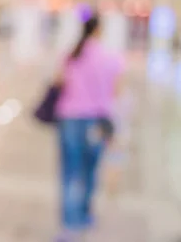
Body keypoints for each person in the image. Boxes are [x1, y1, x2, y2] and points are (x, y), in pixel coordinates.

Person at [54, 15, 124, 241]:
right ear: (100, 31)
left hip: (70, 119)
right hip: (96, 121)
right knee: (90, 169)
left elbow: (59, 82)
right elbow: (117, 92)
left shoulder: (72, 54)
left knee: (70, 172)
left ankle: (69, 226)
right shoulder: (111, 58)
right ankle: (84, 214)